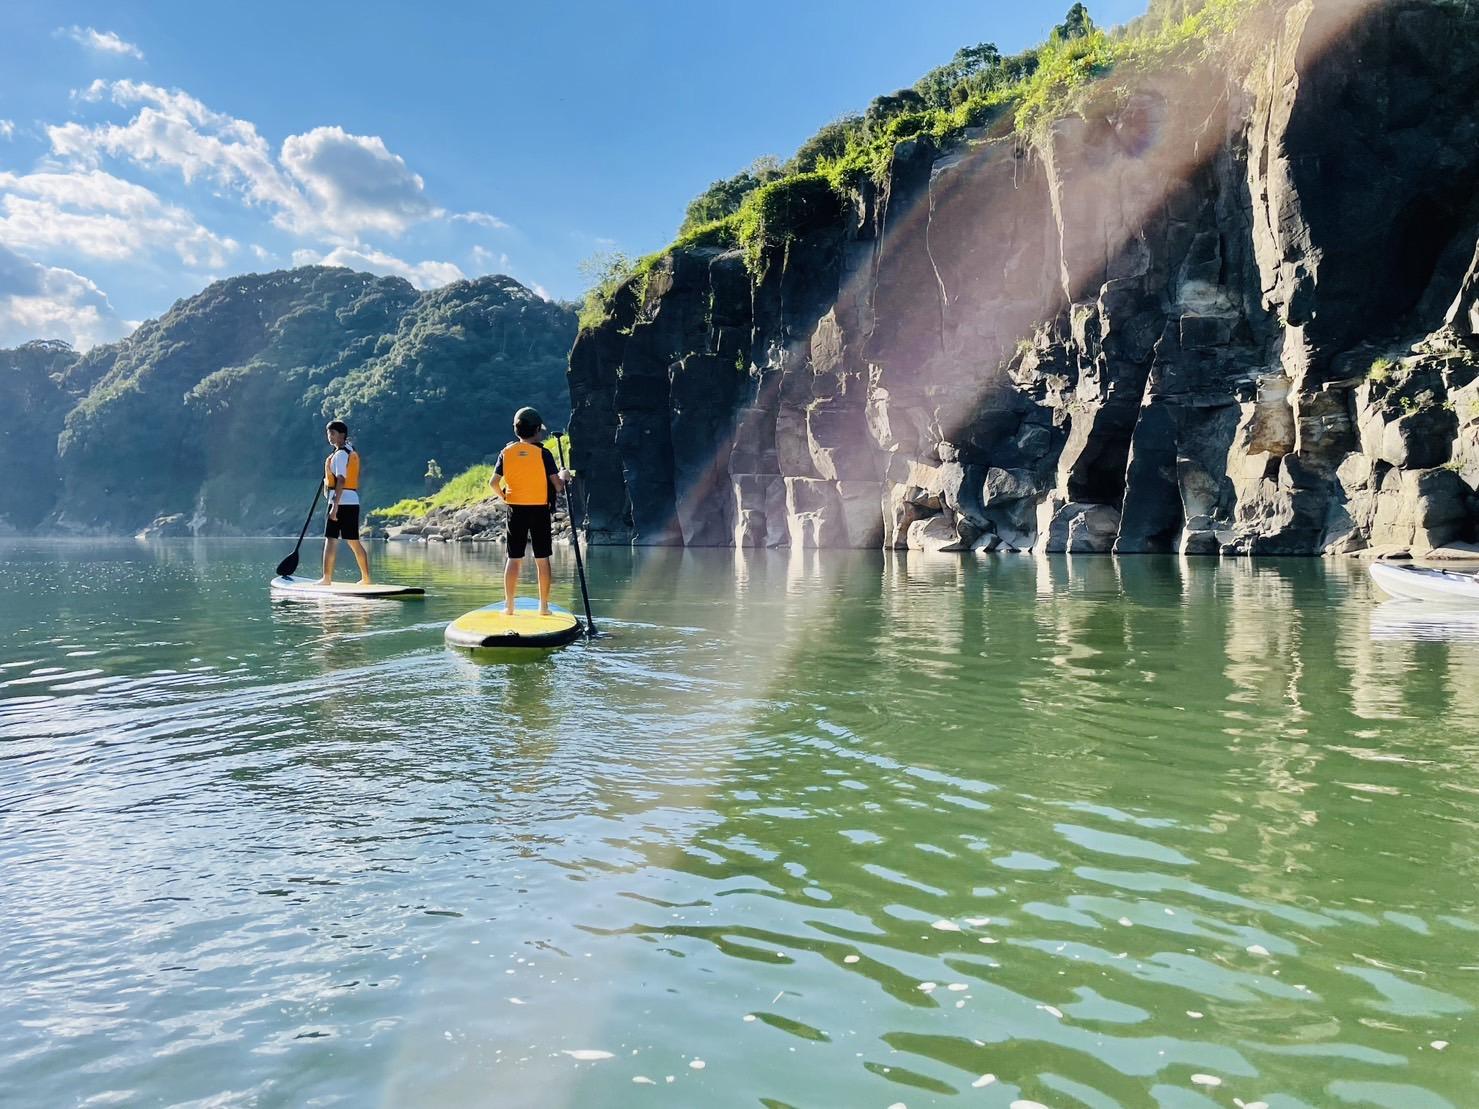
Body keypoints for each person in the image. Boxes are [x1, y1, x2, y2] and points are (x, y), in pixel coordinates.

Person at [490, 407, 571, 615]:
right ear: (537, 429)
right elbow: (558, 486)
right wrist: (564, 475)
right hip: (539, 510)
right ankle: (543, 607)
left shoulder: (505, 452)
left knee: (513, 558)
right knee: (542, 558)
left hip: (515, 509)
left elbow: (493, 483)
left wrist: (505, 496)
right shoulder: (544, 454)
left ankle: (508, 607)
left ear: (516, 429)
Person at [316, 420, 372, 586]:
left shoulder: (340, 455)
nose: (330, 436)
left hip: (339, 502)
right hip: (353, 501)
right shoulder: (349, 451)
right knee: (353, 540)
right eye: (328, 433)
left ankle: (326, 579)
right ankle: (366, 578)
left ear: (342, 435)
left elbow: (341, 479)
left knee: (331, 539)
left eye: (333, 433)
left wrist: (334, 506)